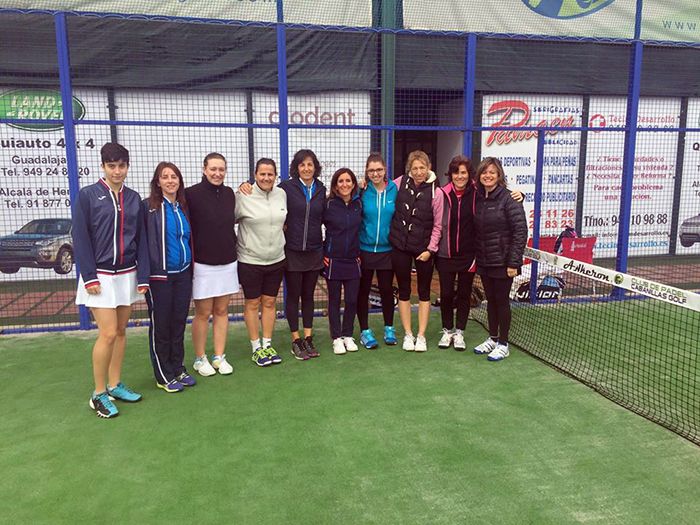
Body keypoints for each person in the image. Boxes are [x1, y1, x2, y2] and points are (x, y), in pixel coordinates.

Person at [73, 142, 150, 418]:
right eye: (112, 166)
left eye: (121, 166)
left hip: (127, 274)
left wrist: (143, 276)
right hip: (99, 277)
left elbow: (141, 239)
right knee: (106, 333)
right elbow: (80, 237)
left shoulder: (133, 198)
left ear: (127, 167)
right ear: (103, 166)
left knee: (120, 331)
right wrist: (89, 276)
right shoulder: (87, 195)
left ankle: (115, 384)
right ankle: (98, 393)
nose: (117, 171)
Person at [239, 149, 325, 360]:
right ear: (296, 168)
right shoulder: (286, 188)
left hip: (313, 251)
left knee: (308, 296)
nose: (306, 168)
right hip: (291, 251)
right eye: (302, 165)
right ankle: (295, 340)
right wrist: (245, 184)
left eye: (310, 164)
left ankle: (308, 338)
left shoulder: (321, 189)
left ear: (315, 167)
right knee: (292, 296)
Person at [143, 162, 196, 393]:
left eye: (174, 177)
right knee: (161, 326)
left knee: (178, 323)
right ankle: (163, 374)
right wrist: (144, 276)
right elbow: (141, 243)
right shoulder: (149, 207)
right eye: (165, 177)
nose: (170, 181)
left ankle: (178, 368)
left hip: (183, 275)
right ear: (158, 182)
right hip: (160, 278)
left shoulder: (182, 207)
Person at [186, 152, 238, 376]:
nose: (217, 173)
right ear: (204, 169)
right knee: (203, 312)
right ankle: (200, 359)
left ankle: (219, 356)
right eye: (213, 169)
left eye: (221, 169)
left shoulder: (229, 194)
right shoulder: (190, 194)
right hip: (202, 264)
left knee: (222, 310)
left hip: (228, 262)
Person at [472, 157, 528, 361]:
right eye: (484, 172)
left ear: (499, 176)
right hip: (485, 261)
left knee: (502, 302)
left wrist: (513, 263)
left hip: (504, 263)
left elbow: (520, 232)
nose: (488, 176)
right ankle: (493, 338)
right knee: (491, 301)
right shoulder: (479, 198)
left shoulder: (510, 199)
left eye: (492, 172)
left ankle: (503, 344)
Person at [235, 158, 287, 367]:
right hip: (250, 260)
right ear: (255, 175)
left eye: (270, 174)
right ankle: (256, 348)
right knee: (252, 303)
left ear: (275, 176)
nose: (266, 178)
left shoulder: (281, 194)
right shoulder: (243, 195)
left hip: (276, 259)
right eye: (262, 174)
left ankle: (267, 345)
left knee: (270, 302)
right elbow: (226, 221)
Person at [389, 150, 441, 352]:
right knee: (403, 291)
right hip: (400, 247)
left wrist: (430, 250)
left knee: (424, 292)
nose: (419, 172)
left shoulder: (437, 192)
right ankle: (408, 334)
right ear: (409, 169)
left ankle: (421, 336)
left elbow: (438, 225)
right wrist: (363, 184)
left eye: (422, 167)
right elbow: (381, 189)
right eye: (415, 168)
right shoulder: (399, 183)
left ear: (428, 167)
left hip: (424, 250)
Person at [428, 155, 477, 351]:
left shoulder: (477, 192)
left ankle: (460, 333)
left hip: (469, 256)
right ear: (451, 174)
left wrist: (518, 194)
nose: (460, 176)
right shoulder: (442, 193)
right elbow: (436, 222)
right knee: (446, 295)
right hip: (445, 255)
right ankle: (447, 331)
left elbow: (499, 190)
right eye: (456, 172)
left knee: (464, 294)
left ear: (469, 174)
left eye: (463, 172)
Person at [357, 152, 398, 349]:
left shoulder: (394, 189)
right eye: (371, 170)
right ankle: (365, 331)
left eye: (379, 170)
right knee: (363, 291)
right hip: (364, 249)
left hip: (387, 250)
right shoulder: (361, 191)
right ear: (367, 172)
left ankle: (389, 327)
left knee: (386, 290)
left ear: (385, 170)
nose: (375, 174)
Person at [323, 168, 363, 355]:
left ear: (353, 184)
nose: (345, 184)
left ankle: (348, 335)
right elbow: (315, 226)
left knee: (351, 300)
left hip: (353, 260)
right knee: (334, 300)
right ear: (335, 185)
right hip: (333, 260)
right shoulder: (328, 204)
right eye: (341, 181)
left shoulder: (359, 203)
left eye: (348, 181)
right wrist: (323, 252)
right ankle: (336, 338)